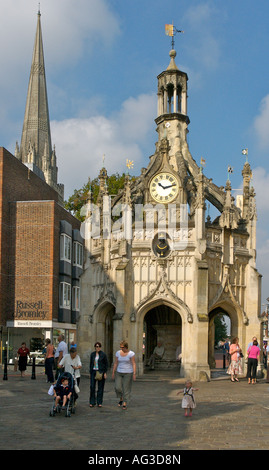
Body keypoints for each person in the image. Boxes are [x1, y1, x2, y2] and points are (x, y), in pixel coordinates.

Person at [112, 340, 136, 410]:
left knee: (126, 388)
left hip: (128, 372)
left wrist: (134, 373)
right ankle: (121, 398)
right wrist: (113, 372)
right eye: (120, 347)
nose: (121, 348)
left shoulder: (131, 354)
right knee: (117, 387)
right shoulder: (118, 353)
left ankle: (125, 402)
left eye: (122, 347)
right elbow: (116, 363)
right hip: (119, 372)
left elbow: (133, 363)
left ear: (126, 347)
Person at [89, 342, 108, 408]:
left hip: (100, 372)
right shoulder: (92, 354)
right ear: (95, 347)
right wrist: (90, 372)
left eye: (99, 346)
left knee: (100, 387)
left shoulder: (103, 354)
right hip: (93, 371)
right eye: (97, 346)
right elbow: (91, 363)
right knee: (92, 387)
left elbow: (106, 364)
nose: (98, 348)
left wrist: (105, 373)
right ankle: (92, 402)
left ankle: (99, 402)